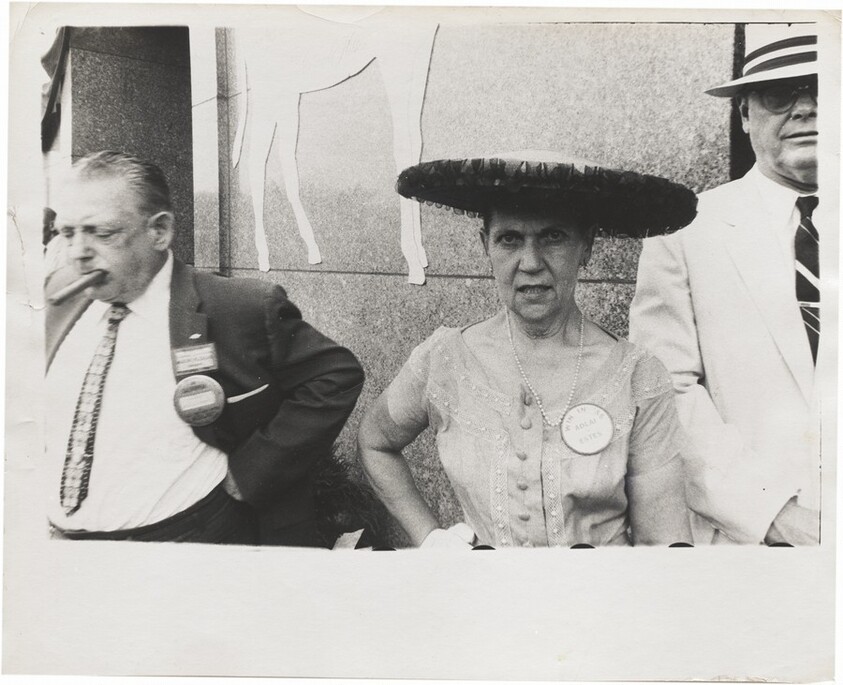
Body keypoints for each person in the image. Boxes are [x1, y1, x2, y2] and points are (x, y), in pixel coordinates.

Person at [358, 150, 698, 548]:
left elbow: (664, 539)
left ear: (585, 246)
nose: (530, 262)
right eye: (510, 240)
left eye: (553, 237)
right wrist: (429, 537)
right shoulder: (445, 358)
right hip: (488, 599)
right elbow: (375, 441)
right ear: (486, 245)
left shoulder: (637, 375)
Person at [45, 150, 364, 546]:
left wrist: (251, 474)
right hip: (63, 553)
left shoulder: (235, 307)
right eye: (67, 232)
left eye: (102, 233)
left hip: (186, 545)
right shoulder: (58, 294)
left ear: (159, 231)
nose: (78, 252)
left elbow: (335, 375)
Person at [629, 25, 821, 545]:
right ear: (743, 114)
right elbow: (665, 389)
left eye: (826, 89)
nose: (806, 109)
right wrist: (774, 515)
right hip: (755, 543)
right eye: (780, 94)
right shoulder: (687, 228)